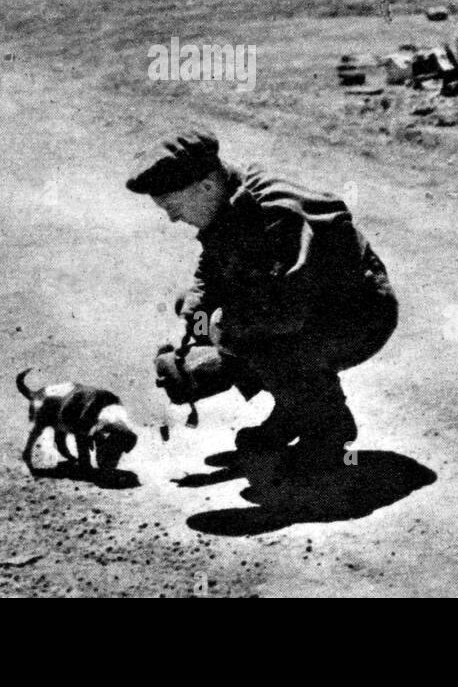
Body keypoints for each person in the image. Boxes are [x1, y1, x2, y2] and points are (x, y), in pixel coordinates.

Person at [127, 128, 399, 473]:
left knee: (262, 343)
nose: (172, 218)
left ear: (207, 188)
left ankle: (328, 431)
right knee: (199, 309)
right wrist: (188, 331)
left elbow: (288, 315)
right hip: (313, 308)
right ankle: (291, 412)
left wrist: (218, 352)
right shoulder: (226, 202)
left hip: (359, 314)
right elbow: (210, 273)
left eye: (174, 207)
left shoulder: (275, 215)